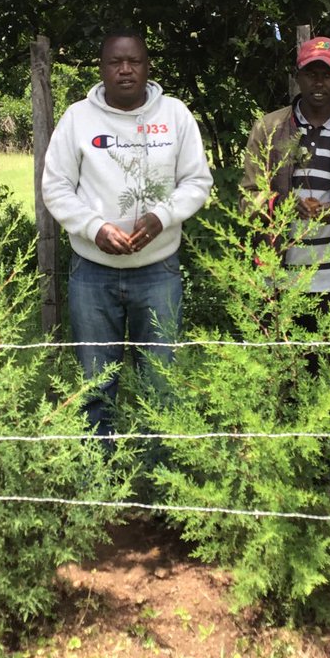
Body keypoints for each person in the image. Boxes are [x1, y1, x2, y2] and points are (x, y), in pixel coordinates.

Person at [41, 28, 213, 440]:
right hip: (93, 272)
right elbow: (56, 186)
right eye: (115, 62)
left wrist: (162, 217)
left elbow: (196, 181)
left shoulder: (174, 115)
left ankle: (159, 480)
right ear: (101, 69)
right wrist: (94, 228)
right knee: (95, 382)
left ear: (147, 66)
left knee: (160, 381)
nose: (124, 70)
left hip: (158, 272)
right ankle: (99, 479)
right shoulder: (77, 119)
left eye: (133, 61)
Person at [239, 36, 330, 311]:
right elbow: (247, 200)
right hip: (276, 278)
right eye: (310, 74)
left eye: (327, 75)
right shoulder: (268, 128)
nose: (319, 83)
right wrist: (283, 206)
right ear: (297, 77)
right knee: (278, 354)